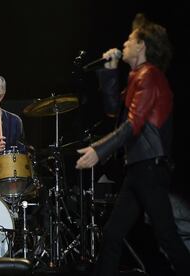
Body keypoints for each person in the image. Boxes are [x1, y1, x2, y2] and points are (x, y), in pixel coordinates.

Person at [75, 14, 190, 276]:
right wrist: (110, 70)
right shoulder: (138, 76)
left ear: (142, 46)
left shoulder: (150, 76)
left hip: (150, 168)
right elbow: (113, 110)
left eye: (129, 40)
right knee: (113, 234)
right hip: (139, 169)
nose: (124, 44)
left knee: (167, 237)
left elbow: (132, 124)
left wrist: (98, 150)